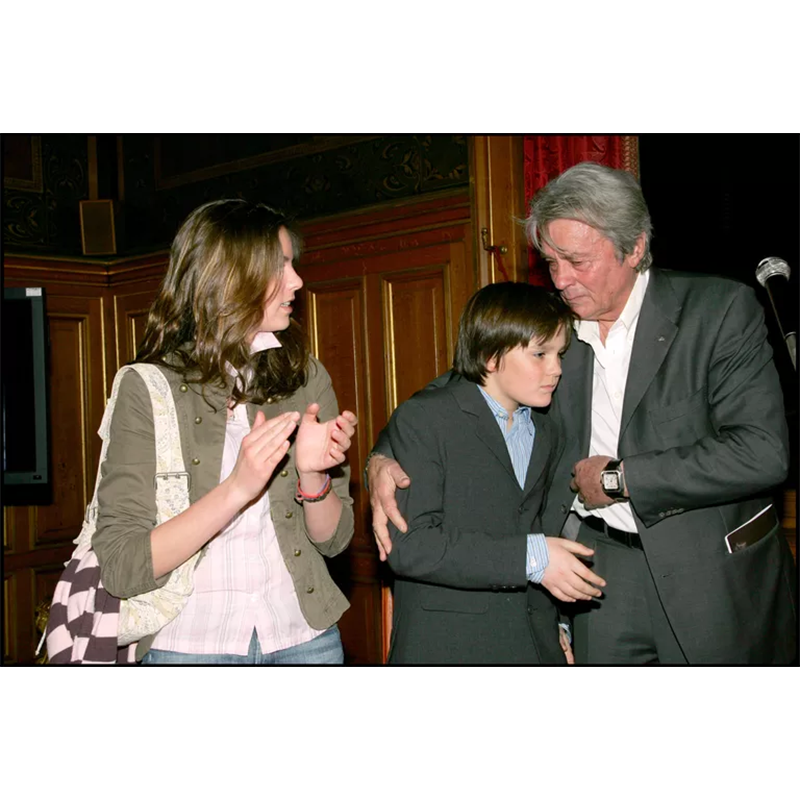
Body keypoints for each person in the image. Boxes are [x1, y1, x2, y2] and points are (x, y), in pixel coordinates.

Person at [370, 162, 796, 665]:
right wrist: (382, 457)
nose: (561, 280)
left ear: (634, 247)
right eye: (551, 261)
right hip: (603, 571)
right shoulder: (556, 328)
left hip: (712, 572)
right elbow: (465, 384)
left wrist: (620, 478)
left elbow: (762, 453)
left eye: (576, 261)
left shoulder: (718, 310)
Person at [93, 199, 357, 664]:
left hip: (305, 640)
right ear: (229, 276)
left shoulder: (304, 376)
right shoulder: (147, 388)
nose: (297, 281)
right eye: (279, 266)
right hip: (190, 649)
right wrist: (237, 488)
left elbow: (334, 541)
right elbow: (121, 567)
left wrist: (314, 477)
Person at [382, 282, 604, 664]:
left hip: (532, 645)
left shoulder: (548, 428)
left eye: (559, 354)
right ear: (490, 355)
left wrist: (555, 622)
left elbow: (538, 529)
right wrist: (532, 556)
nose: (556, 369)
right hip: (448, 647)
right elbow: (409, 547)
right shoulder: (426, 417)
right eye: (540, 354)